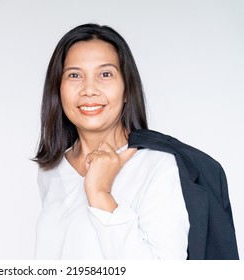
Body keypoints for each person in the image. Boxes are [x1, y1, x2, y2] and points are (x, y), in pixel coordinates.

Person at [33, 23, 190, 259]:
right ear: (58, 89)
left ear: (127, 88)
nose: (89, 89)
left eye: (105, 74)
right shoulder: (51, 170)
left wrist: (100, 194)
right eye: (74, 75)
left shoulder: (158, 165)